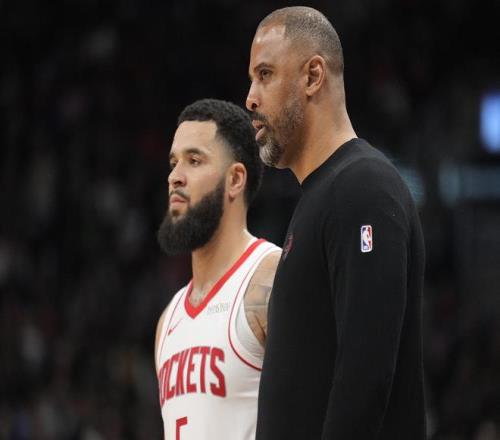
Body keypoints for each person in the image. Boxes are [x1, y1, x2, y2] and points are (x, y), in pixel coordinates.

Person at [246, 7, 426, 440]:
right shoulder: (321, 197)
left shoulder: (363, 187)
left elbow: (366, 374)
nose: (250, 98)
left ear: (313, 76)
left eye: (265, 75)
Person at [154, 98, 281, 440]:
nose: (175, 177)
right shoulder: (168, 320)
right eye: (173, 163)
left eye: (194, 160)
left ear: (235, 179)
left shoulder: (272, 278)